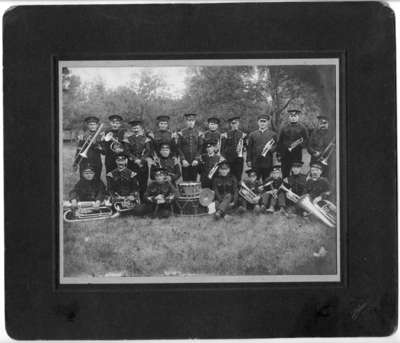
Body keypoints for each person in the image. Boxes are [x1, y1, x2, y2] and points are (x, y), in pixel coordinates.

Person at [123, 119, 151, 200]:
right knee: (132, 182)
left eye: (137, 128)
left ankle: (143, 200)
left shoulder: (146, 139)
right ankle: (133, 201)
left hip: (143, 164)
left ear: (141, 128)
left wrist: (141, 160)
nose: (136, 129)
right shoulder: (128, 139)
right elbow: (126, 151)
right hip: (132, 164)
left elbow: (148, 151)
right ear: (132, 129)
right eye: (134, 128)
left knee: (143, 183)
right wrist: (135, 159)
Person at [277, 109, 309, 178]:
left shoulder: (302, 128)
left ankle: (295, 187)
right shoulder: (283, 127)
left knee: (296, 172)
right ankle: (285, 187)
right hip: (285, 154)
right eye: (291, 116)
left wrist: (299, 145)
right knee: (285, 172)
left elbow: (306, 140)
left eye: (295, 116)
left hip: (296, 154)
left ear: (298, 117)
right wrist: (279, 154)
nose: (293, 118)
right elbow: (280, 141)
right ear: (289, 117)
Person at [246, 114, 277, 182]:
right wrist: (248, 160)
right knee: (255, 180)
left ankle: (266, 192)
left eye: (264, 121)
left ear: (268, 122)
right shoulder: (252, 134)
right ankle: (255, 192)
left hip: (267, 161)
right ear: (258, 122)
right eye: (261, 121)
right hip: (255, 162)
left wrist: (271, 148)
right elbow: (249, 149)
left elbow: (277, 146)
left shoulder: (273, 134)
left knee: (267, 180)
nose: (262, 123)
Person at [73, 116, 103, 180]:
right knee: (84, 179)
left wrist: (98, 146)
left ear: (97, 125)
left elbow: (104, 152)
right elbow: (79, 149)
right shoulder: (83, 136)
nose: (92, 126)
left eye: (94, 124)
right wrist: (76, 162)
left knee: (96, 178)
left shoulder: (101, 136)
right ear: (87, 125)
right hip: (85, 161)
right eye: (90, 124)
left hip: (96, 160)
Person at [177, 113, 203, 181]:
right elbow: (178, 147)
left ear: (194, 122)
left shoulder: (199, 133)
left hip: (194, 161)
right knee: (185, 180)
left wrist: (197, 159)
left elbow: (200, 147)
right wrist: (183, 159)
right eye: (189, 121)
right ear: (186, 122)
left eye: (192, 121)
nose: (190, 122)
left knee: (194, 180)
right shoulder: (181, 133)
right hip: (185, 161)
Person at [221, 116, 246, 182]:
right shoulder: (226, 134)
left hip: (238, 159)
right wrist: (224, 158)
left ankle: (237, 191)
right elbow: (222, 148)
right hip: (229, 159)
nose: (234, 125)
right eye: (233, 123)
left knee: (238, 177)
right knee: (228, 176)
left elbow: (246, 147)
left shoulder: (243, 135)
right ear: (230, 124)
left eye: (236, 123)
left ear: (238, 123)